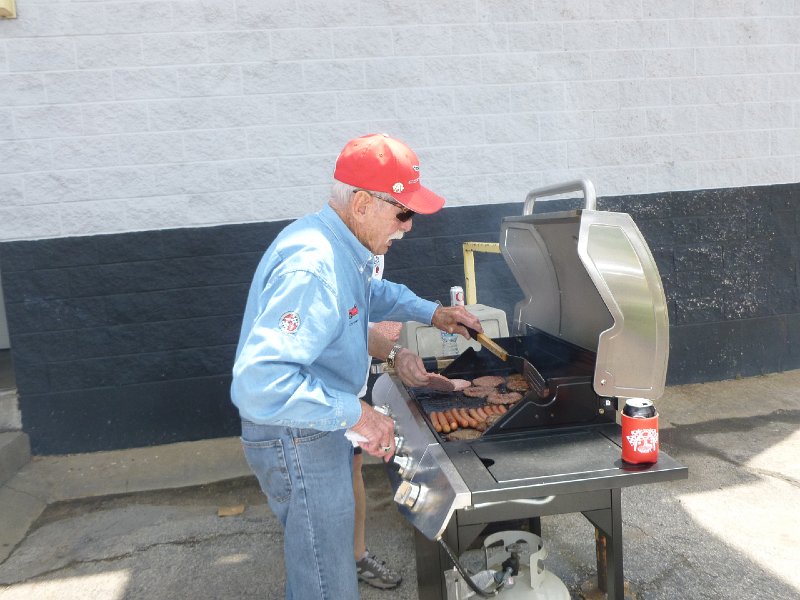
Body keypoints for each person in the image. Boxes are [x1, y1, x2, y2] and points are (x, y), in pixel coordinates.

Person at [231, 133, 483, 600]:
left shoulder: (340, 247)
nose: (409, 227)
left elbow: (370, 294)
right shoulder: (314, 266)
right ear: (364, 204)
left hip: (311, 426)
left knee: (318, 565)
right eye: (403, 213)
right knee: (327, 580)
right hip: (296, 436)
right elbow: (259, 381)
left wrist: (433, 313)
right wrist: (358, 414)